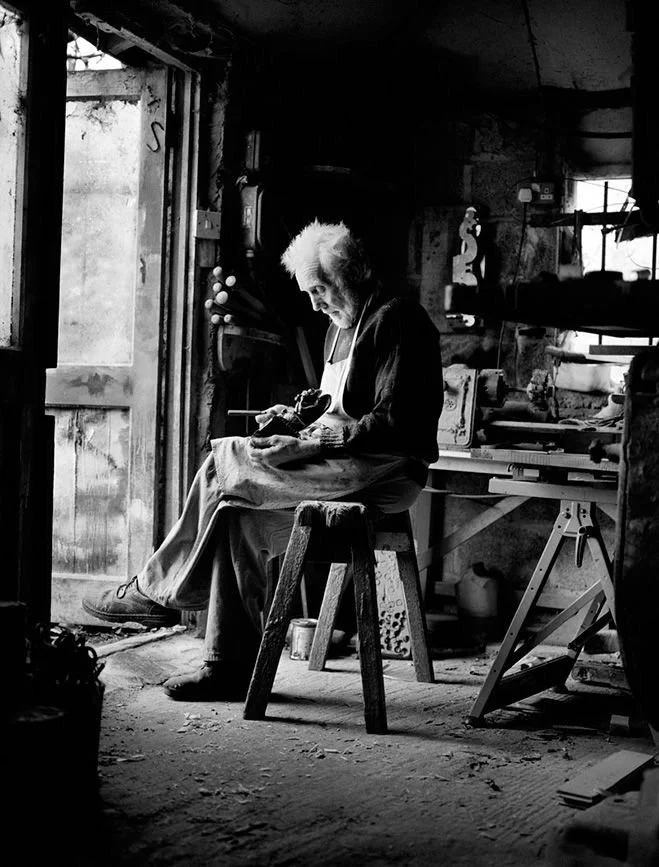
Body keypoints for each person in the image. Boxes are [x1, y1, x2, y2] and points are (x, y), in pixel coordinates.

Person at [82, 220, 443, 700]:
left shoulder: (397, 318)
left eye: (320, 290)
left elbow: (394, 421)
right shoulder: (341, 326)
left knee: (225, 459)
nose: (314, 304)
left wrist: (314, 445)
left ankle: (155, 593)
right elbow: (337, 407)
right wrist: (296, 418)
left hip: (387, 469)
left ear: (350, 275)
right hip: (346, 460)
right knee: (236, 514)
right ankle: (227, 667)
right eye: (309, 293)